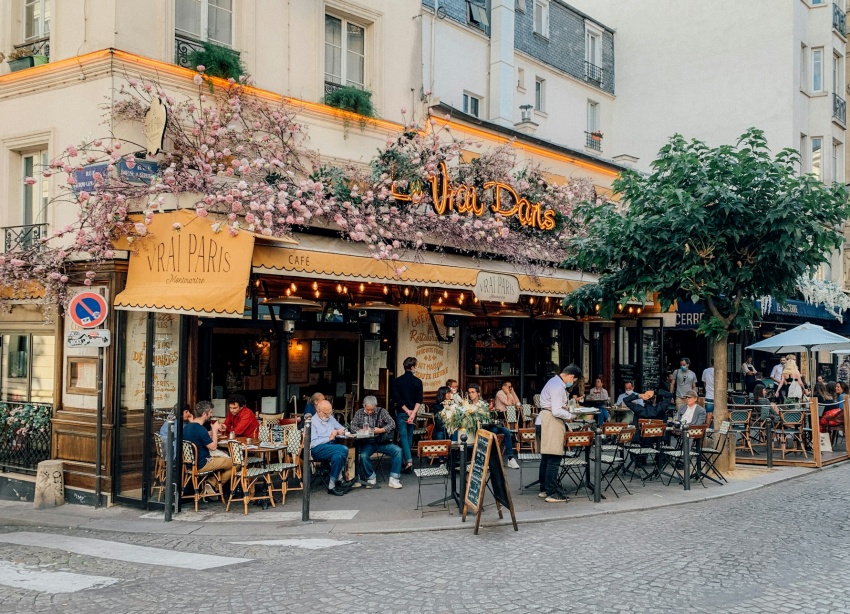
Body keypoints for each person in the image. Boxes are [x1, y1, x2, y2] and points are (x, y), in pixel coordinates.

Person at [537, 364, 582, 503]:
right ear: (571, 376)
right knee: (554, 457)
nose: (572, 383)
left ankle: (544, 488)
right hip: (551, 420)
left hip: (544, 419)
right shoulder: (558, 386)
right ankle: (552, 492)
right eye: (573, 381)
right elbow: (556, 410)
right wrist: (572, 415)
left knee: (546, 457)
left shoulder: (553, 382)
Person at [349, 396, 403, 489]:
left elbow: (392, 424)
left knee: (398, 451)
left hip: (382, 440)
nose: (370, 411)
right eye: (368, 409)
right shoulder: (359, 413)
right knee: (363, 455)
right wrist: (361, 430)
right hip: (369, 442)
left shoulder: (382, 411)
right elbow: (352, 427)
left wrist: (381, 430)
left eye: (372, 409)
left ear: (376, 406)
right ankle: (371, 477)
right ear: (364, 406)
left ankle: (394, 479)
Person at [183, 401, 233, 495]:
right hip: (202, 464)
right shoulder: (201, 429)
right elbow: (213, 447)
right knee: (236, 462)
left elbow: (199, 437)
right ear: (204, 414)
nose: (211, 414)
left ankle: (211, 484)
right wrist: (214, 430)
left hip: (189, 464)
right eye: (210, 412)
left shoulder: (188, 426)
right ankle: (212, 484)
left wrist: (209, 433)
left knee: (223, 457)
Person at [467, 384, 520, 469]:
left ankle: (511, 458)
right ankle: (489, 459)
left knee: (506, 431)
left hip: (487, 426)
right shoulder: (468, 404)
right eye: (469, 393)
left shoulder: (483, 403)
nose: (471, 394)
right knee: (494, 430)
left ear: (478, 393)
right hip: (477, 428)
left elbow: (488, 417)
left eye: (473, 392)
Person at [310, 400, 354, 496]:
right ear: (318, 410)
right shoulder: (312, 422)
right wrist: (329, 437)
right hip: (318, 449)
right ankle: (340, 478)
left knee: (337, 457)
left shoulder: (330, 418)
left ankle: (331, 486)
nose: (329, 415)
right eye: (326, 413)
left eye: (330, 412)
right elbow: (313, 443)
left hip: (332, 447)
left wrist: (339, 431)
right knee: (344, 449)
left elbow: (342, 428)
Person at [392, 357, 422, 473]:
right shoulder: (418, 382)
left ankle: (407, 461)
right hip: (413, 413)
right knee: (409, 436)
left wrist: (406, 411)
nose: (416, 368)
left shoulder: (397, 381)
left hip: (402, 412)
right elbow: (419, 400)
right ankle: (408, 460)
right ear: (413, 367)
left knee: (403, 436)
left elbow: (397, 399)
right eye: (416, 366)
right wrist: (413, 413)